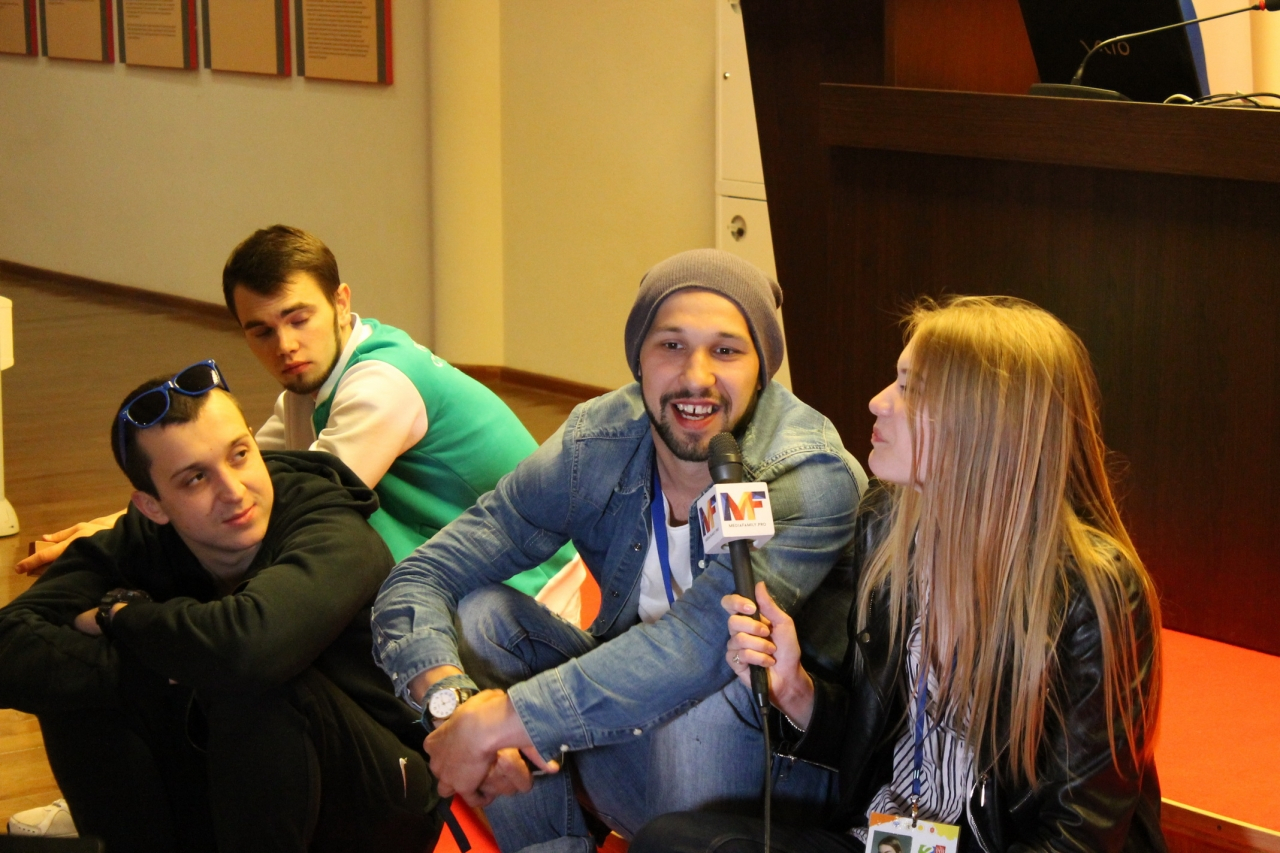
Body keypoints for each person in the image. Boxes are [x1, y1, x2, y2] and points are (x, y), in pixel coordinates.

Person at [371, 249, 868, 852]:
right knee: (481, 615)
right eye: (671, 345)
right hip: (631, 746)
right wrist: (452, 707)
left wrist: (503, 720)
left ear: (762, 369)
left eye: (726, 351)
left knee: (728, 671)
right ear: (638, 360)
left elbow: (695, 646)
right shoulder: (597, 440)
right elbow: (424, 574)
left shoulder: (809, 472)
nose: (697, 377)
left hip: (766, 787)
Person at [632, 296, 1167, 853]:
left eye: (910, 388)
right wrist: (795, 689)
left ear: (982, 421)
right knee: (668, 842)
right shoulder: (886, 526)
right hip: (891, 839)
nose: (878, 401)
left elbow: (1078, 834)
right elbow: (878, 743)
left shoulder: (1094, 592)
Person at [0, 362, 441, 853]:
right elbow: (9, 644)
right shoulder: (139, 540)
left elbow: (250, 649)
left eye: (239, 455)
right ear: (153, 506)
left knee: (254, 684)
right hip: (244, 793)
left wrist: (121, 616)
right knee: (74, 688)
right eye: (195, 479)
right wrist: (156, 671)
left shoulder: (331, 525)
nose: (233, 491)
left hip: (385, 796)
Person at [17, 225, 576, 611]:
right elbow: (249, 471)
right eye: (261, 330)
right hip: (470, 569)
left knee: (301, 542)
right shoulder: (312, 385)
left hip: (535, 591)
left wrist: (120, 537)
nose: (284, 346)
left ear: (340, 303)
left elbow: (296, 504)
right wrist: (127, 517)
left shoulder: (381, 384)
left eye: (298, 318)